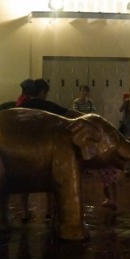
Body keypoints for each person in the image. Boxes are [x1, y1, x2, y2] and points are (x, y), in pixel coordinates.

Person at [19, 78, 77, 221]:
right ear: (42, 92)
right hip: (44, 148)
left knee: (25, 182)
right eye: (46, 92)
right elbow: (67, 113)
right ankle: (50, 211)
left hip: (26, 148)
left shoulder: (22, 106)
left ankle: (25, 212)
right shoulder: (47, 106)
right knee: (50, 180)